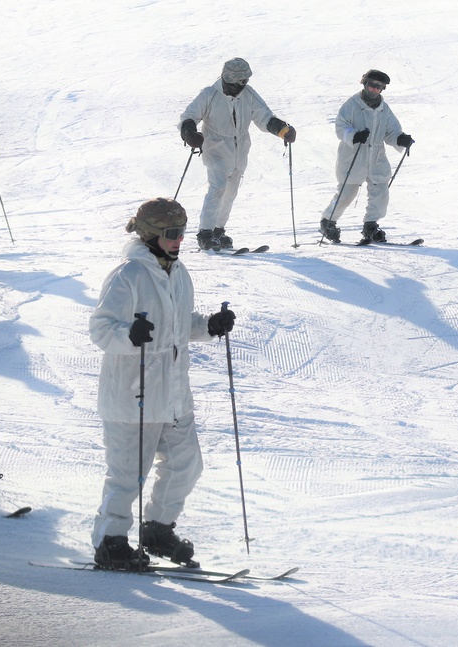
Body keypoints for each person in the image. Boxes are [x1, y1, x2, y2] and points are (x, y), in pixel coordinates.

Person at [89, 197, 236, 569]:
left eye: (183, 232)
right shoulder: (128, 274)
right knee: (127, 475)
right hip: (132, 394)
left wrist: (208, 326)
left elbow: (179, 326)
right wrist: (130, 335)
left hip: (172, 394)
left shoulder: (179, 272)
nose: (180, 239)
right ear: (152, 234)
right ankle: (110, 541)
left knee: (187, 464)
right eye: (172, 233)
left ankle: (156, 528)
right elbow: (101, 328)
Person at [178, 58, 296, 250]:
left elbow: (264, 117)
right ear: (227, 78)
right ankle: (205, 233)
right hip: (216, 148)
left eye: (244, 81)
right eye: (238, 82)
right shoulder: (210, 94)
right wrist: (189, 133)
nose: (242, 85)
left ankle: (218, 230)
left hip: (240, 150)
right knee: (218, 188)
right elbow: (189, 116)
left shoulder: (248, 94)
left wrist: (283, 130)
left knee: (231, 192)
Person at [319, 69, 414, 245]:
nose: (375, 90)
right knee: (347, 192)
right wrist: (353, 135)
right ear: (365, 84)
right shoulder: (351, 105)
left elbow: (391, 131)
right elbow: (341, 126)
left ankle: (371, 225)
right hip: (354, 154)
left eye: (379, 87)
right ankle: (327, 222)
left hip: (376, 155)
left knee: (380, 191)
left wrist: (400, 139)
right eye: (372, 85)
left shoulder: (384, 109)